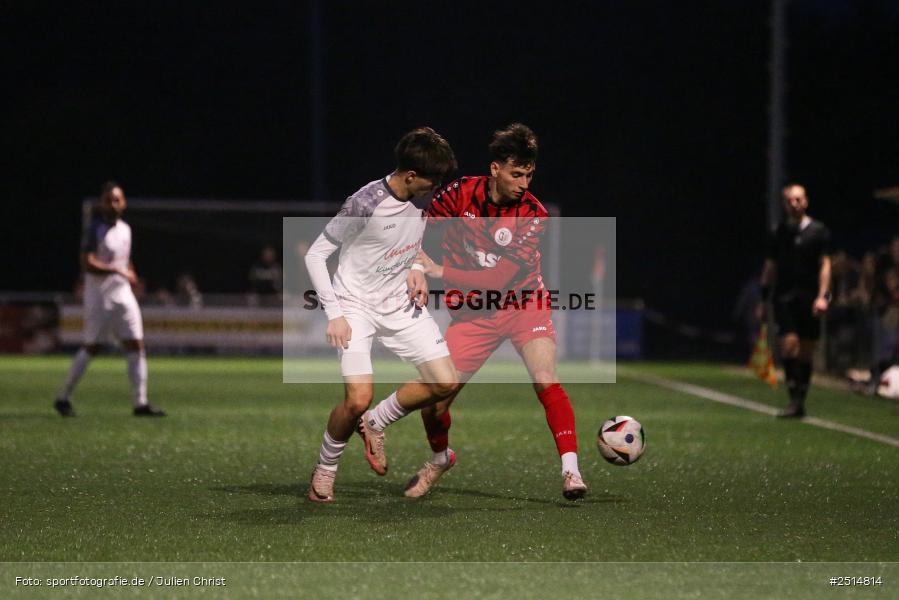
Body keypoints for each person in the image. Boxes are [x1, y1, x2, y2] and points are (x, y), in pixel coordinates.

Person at [406, 123, 588, 500]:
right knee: (435, 403)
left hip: (524, 304)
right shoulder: (461, 193)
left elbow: (499, 278)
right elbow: (422, 228)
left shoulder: (534, 214)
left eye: (530, 174)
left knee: (544, 378)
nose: (524, 183)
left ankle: (571, 472)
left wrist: (439, 270)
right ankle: (440, 458)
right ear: (495, 169)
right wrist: (417, 266)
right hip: (475, 315)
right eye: (516, 174)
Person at [304, 127, 460, 503]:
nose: (436, 188)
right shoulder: (365, 203)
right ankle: (324, 472)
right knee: (357, 398)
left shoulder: (423, 201)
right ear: (410, 176)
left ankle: (376, 421)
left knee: (445, 382)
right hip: (354, 306)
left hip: (398, 304)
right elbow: (315, 254)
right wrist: (335, 313)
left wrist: (418, 270)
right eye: (432, 180)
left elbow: (413, 242)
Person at [55, 182, 166, 417]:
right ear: (101, 204)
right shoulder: (94, 229)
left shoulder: (126, 229)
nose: (112, 204)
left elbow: (125, 260)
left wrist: (131, 273)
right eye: (108, 199)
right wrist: (117, 271)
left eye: (117, 199)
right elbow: (88, 263)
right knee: (92, 346)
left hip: (123, 294)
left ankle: (140, 403)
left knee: (136, 343)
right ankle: (63, 397)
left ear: (123, 203)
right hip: (99, 296)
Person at [760, 183, 831, 417]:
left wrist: (823, 296)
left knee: (806, 351)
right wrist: (763, 299)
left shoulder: (818, 231)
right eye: (790, 200)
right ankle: (794, 399)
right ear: (785, 204)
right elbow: (770, 266)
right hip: (784, 296)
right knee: (790, 346)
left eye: (798, 199)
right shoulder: (779, 232)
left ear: (806, 201)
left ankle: (801, 399)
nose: (794, 203)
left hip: (810, 297)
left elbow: (825, 265)